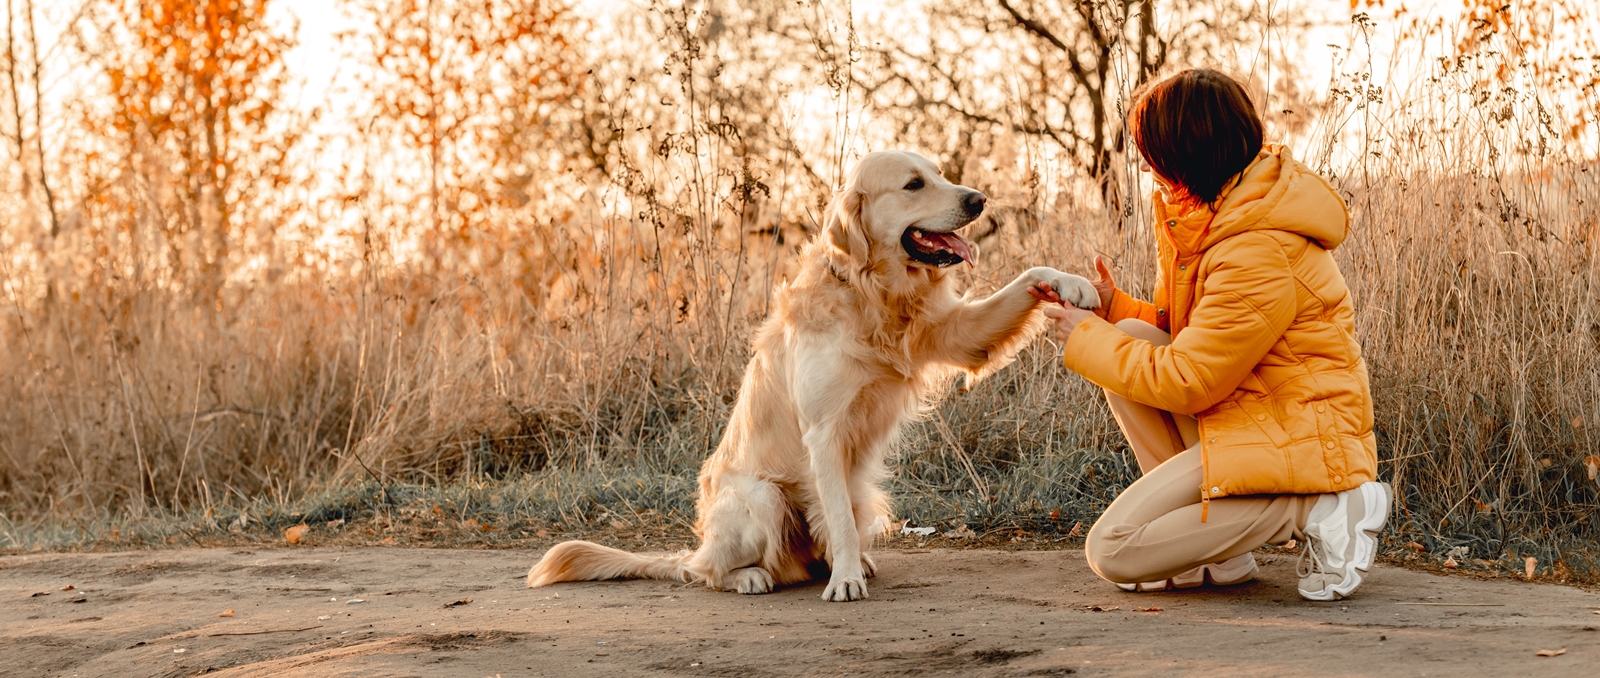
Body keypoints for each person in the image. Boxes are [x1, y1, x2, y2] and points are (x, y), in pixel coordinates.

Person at [1030, 68, 1391, 601]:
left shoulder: (1256, 246)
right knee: (1130, 332)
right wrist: (1111, 309)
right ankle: (1220, 555)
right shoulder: (1219, 213)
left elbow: (1192, 380)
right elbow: (1201, 338)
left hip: (1299, 440)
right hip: (1254, 417)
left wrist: (1084, 336)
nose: (1146, 163)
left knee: (1115, 550)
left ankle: (1324, 505)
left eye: (1151, 150)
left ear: (1183, 153)